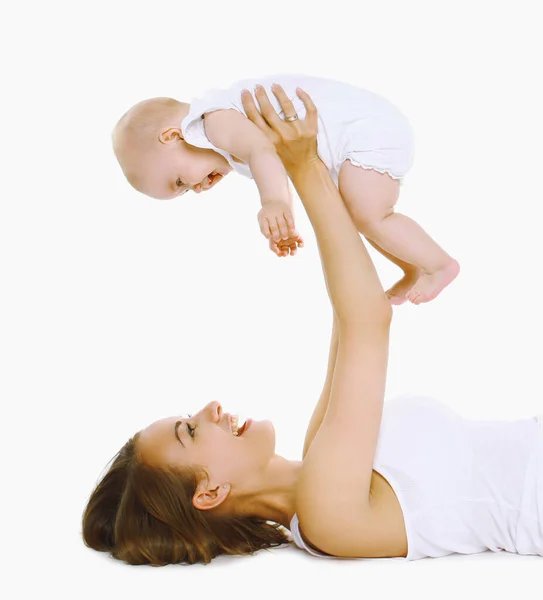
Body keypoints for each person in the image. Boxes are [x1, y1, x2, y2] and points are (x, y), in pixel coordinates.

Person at [84, 86, 542, 566]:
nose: (210, 407)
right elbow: (367, 320)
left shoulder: (317, 453)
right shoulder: (326, 516)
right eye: (191, 432)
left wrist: (316, 162)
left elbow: (350, 319)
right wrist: (303, 168)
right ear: (210, 492)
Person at [112, 74, 459, 305]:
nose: (197, 188)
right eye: (185, 192)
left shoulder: (210, 121)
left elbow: (262, 150)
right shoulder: (221, 139)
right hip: (360, 134)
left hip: (366, 130)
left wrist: (275, 201)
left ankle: (439, 264)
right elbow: (272, 159)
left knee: (370, 212)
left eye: (179, 181)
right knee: (359, 213)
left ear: (172, 136)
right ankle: (412, 266)